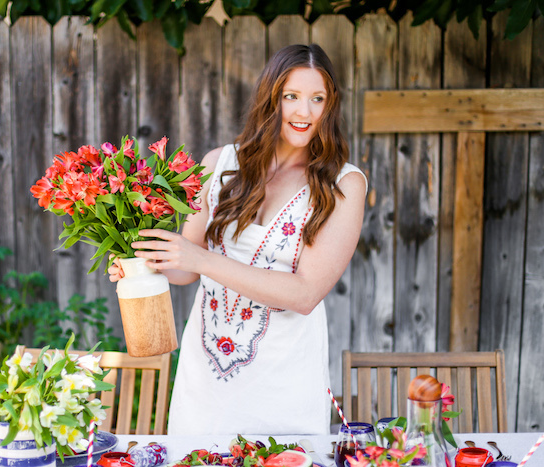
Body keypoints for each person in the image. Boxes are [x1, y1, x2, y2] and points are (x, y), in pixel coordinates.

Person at [109, 44, 367, 435]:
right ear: (271, 97)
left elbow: (305, 294)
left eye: (318, 99)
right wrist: (143, 263)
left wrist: (201, 260)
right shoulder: (219, 164)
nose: (304, 112)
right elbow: (185, 268)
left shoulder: (343, 184)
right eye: (291, 97)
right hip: (204, 383)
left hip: (284, 384)